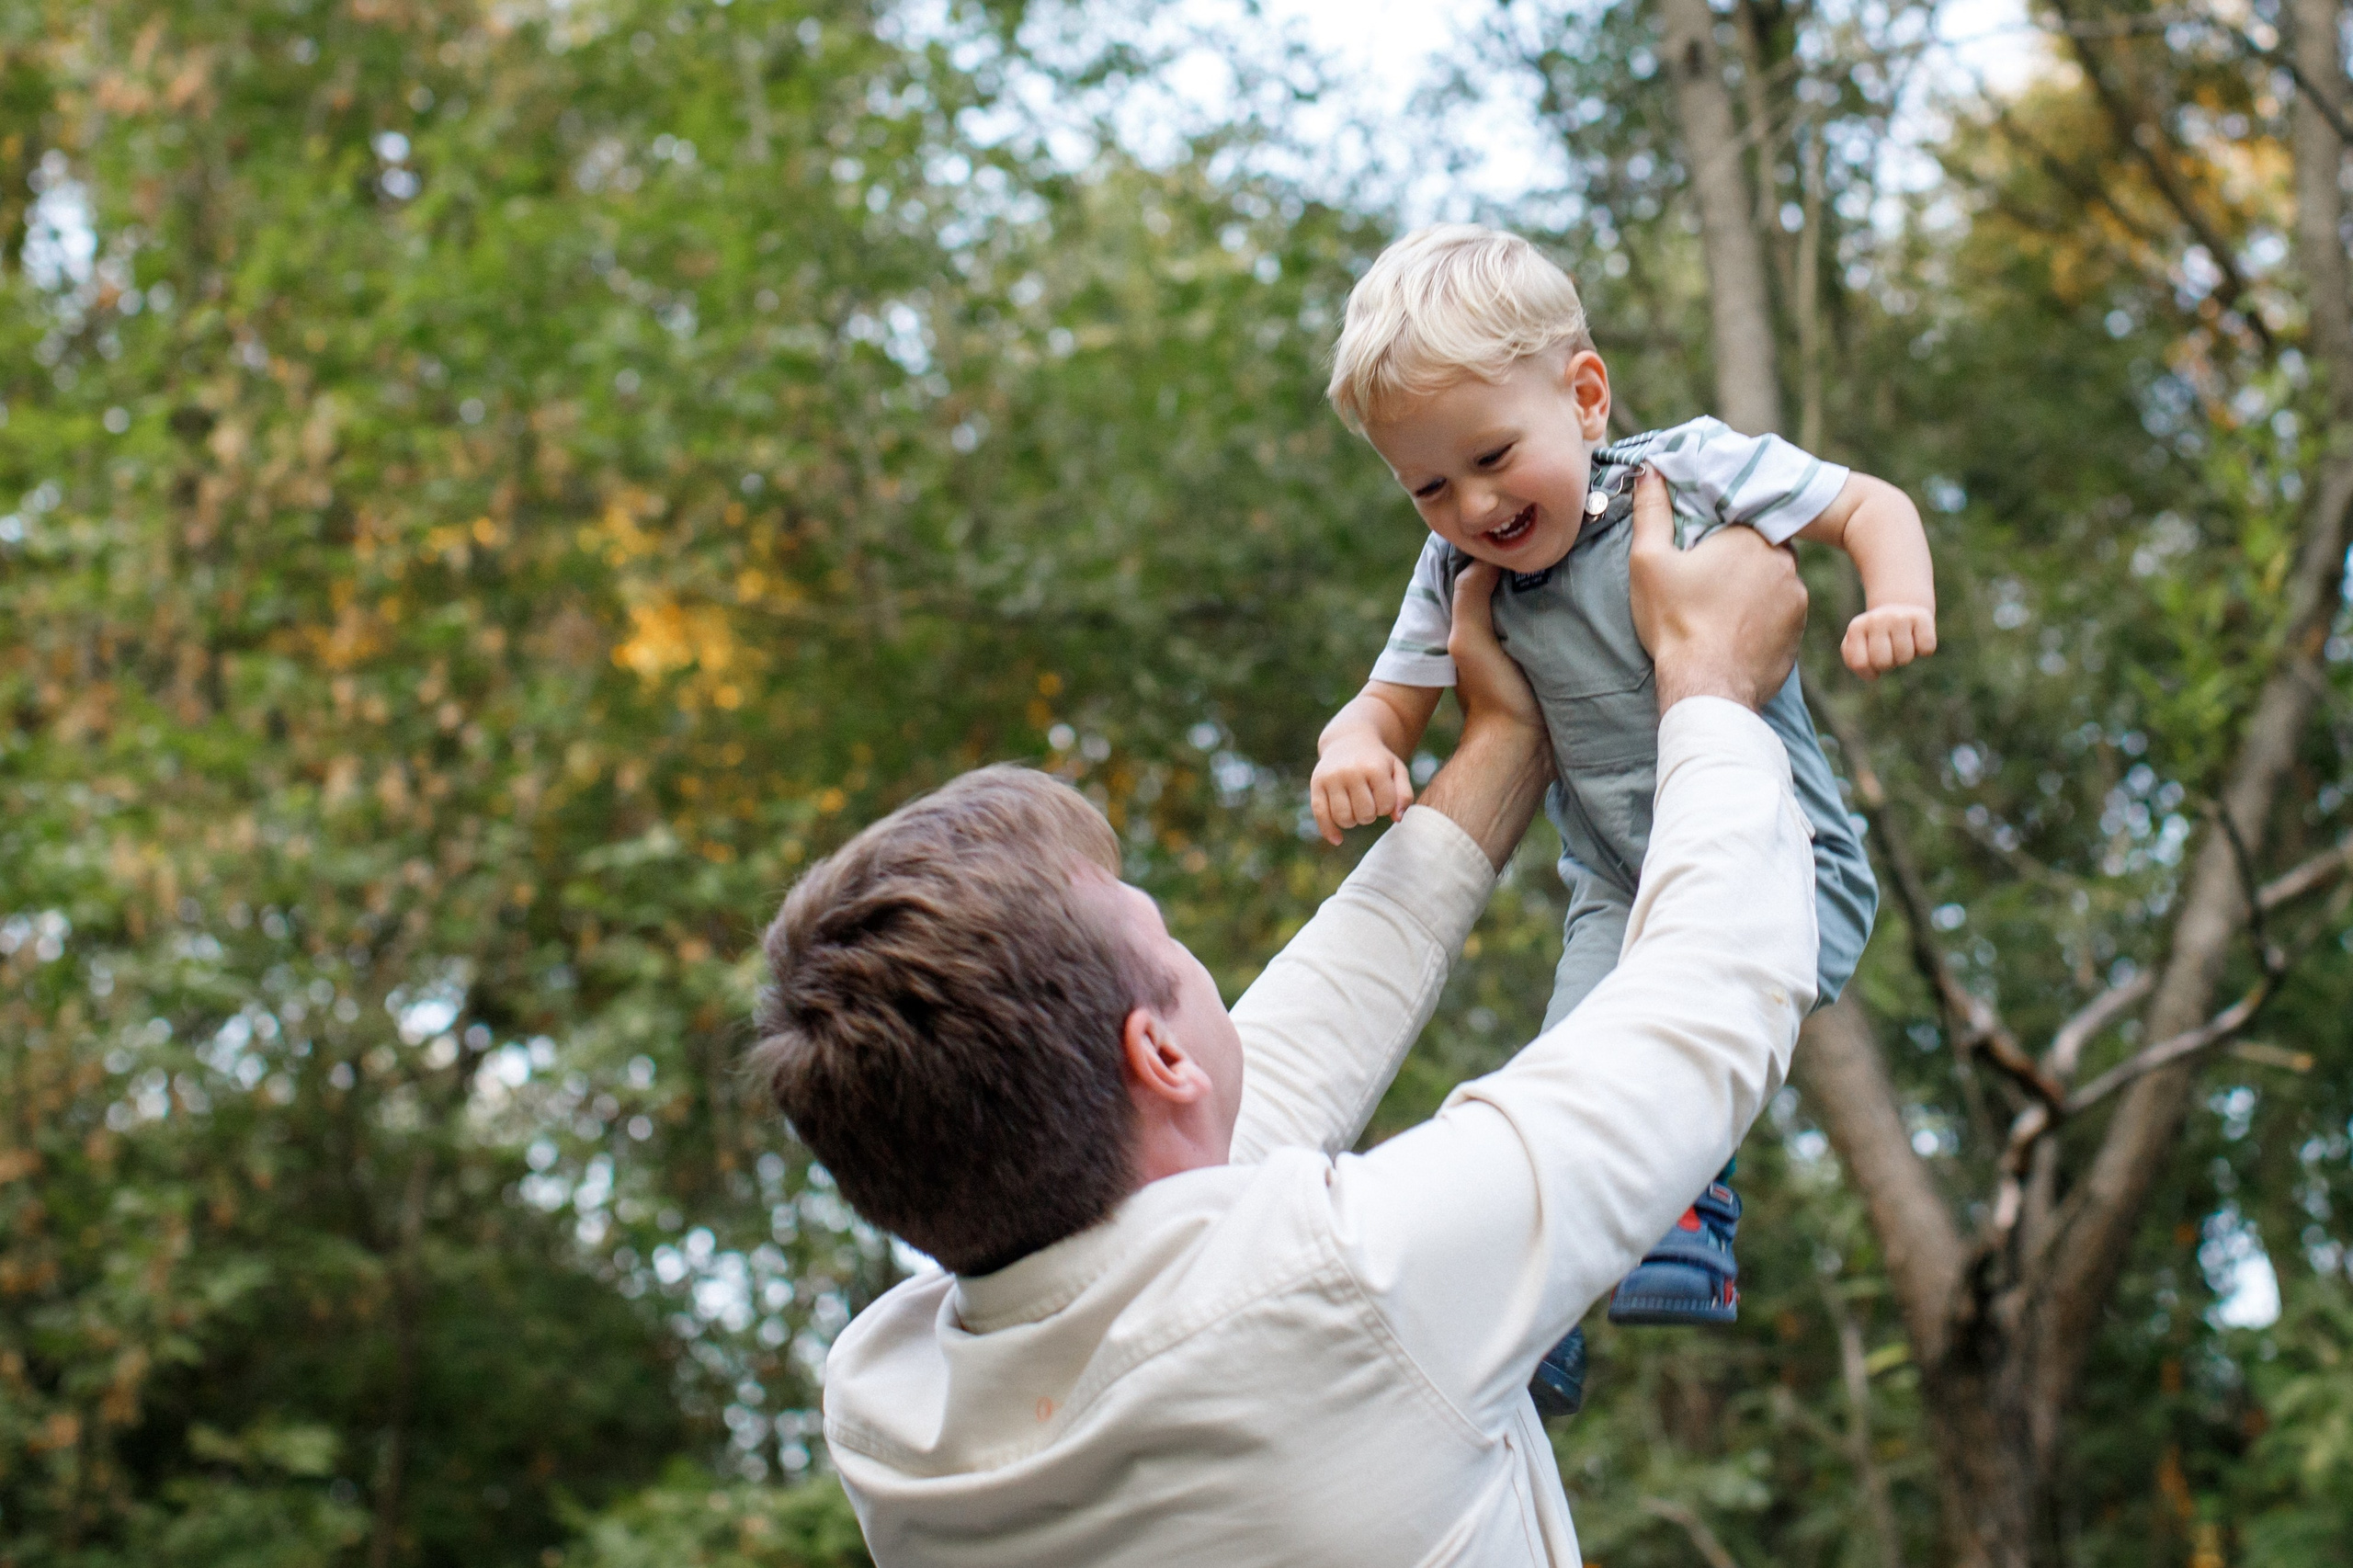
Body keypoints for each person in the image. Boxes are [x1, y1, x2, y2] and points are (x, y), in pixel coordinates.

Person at [749, 478, 1819, 1567]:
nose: (1205, 973)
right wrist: (1708, 684)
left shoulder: (888, 1415)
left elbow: (1256, 1103)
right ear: (1158, 1051)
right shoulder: (1342, 1292)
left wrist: (1506, 731)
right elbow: (1710, 998)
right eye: (1167, 943)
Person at [1310, 225, 1933, 1385]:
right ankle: (1530, 1316)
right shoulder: (1454, 574)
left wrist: (1893, 597)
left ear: (1584, 395)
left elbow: (1868, 504)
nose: (1472, 503)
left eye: (1493, 455)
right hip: (1614, 883)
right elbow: (1385, 701)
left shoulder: (1683, 468)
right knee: (1563, 1073)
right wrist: (1354, 749)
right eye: (1428, 486)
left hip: (1777, 851)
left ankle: (1685, 1206)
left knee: (1656, 1036)